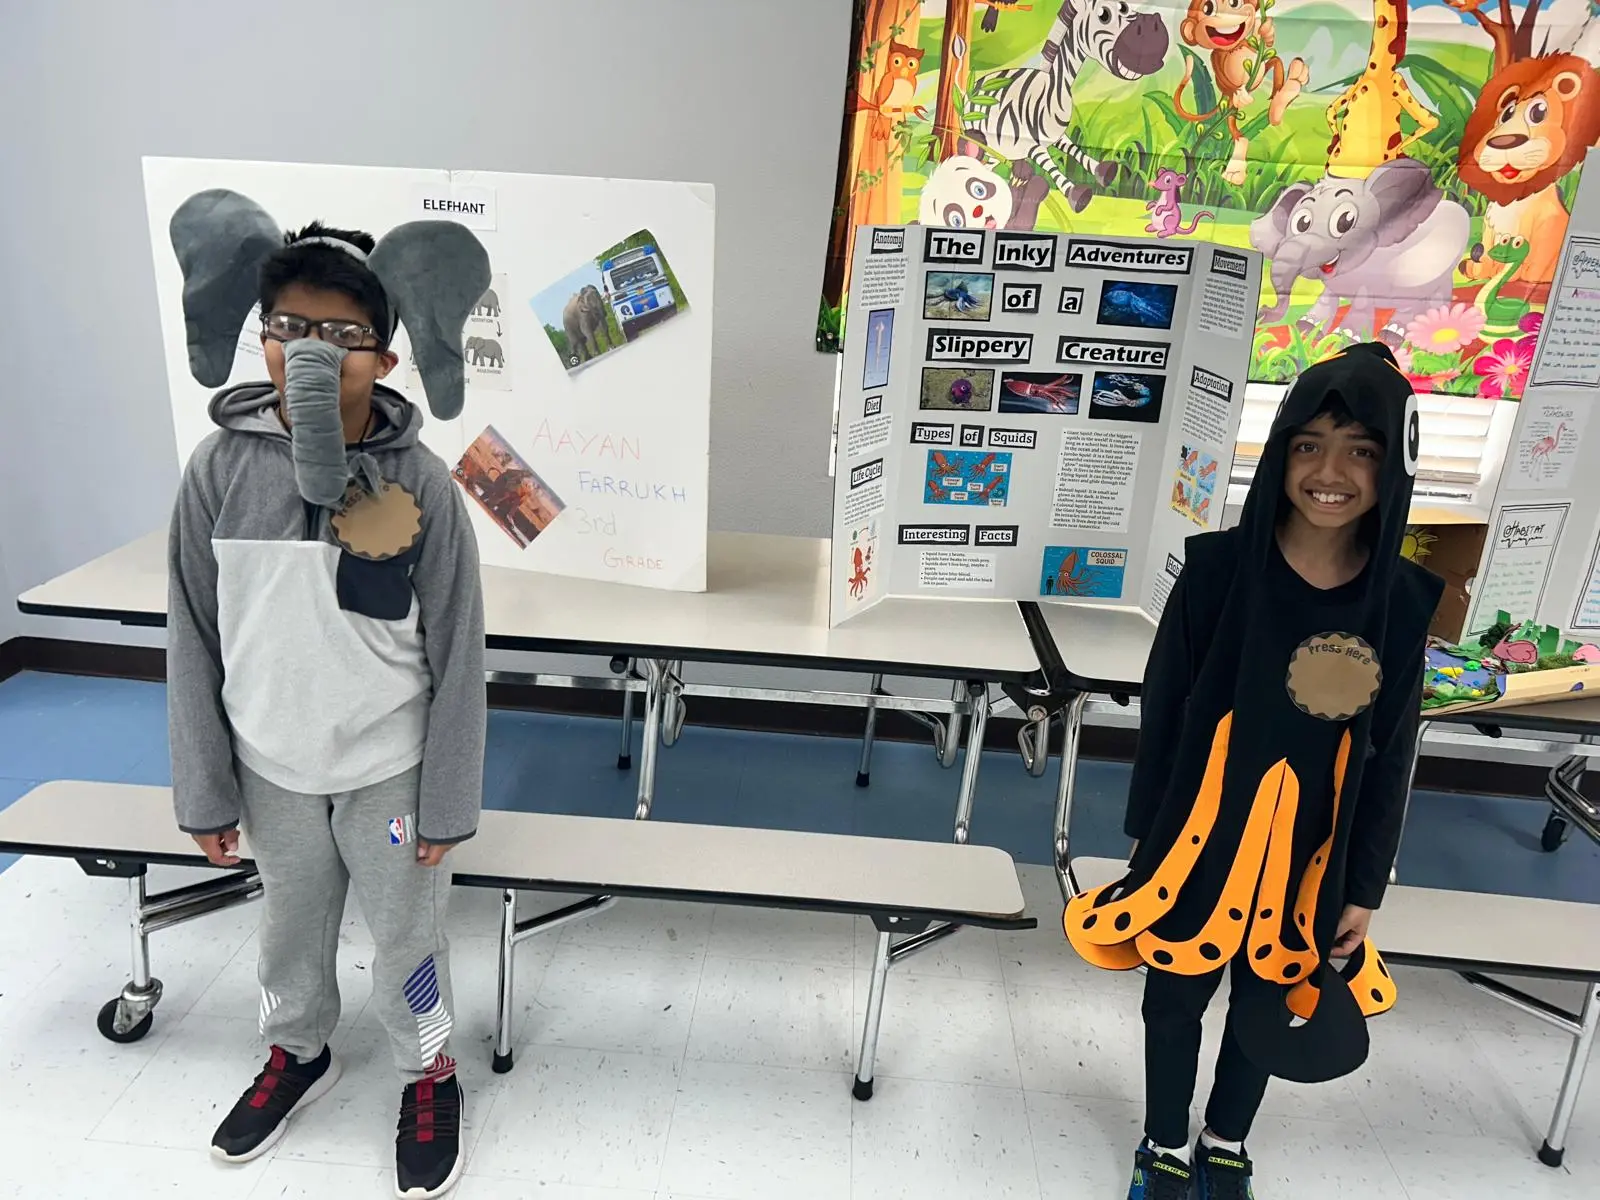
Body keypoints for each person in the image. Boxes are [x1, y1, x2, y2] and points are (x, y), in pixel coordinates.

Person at [1062, 343, 1443, 1199]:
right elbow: (1165, 715)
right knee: (1174, 995)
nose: (1330, 473)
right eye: (1309, 445)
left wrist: (1365, 886)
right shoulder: (1216, 574)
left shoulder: (1402, 602)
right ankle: (1164, 1145)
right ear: (1279, 452)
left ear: (1394, 465)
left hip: (1313, 856)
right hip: (1199, 841)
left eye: (1361, 450)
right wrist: (1148, 845)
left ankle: (1225, 1141)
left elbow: (1392, 754)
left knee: (1270, 999)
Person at [167, 222, 486, 1199]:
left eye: (343, 336)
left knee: (409, 940)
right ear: (260, 338)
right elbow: (192, 635)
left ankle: (430, 1069)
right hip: (272, 770)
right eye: (289, 328)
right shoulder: (217, 472)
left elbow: (460, 649)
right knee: (287, 931)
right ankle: (297, 1049)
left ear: (385, 358)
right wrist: (204, 787)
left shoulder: (422, 483)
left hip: (388, 773)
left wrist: (446, 799)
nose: (311, 350)